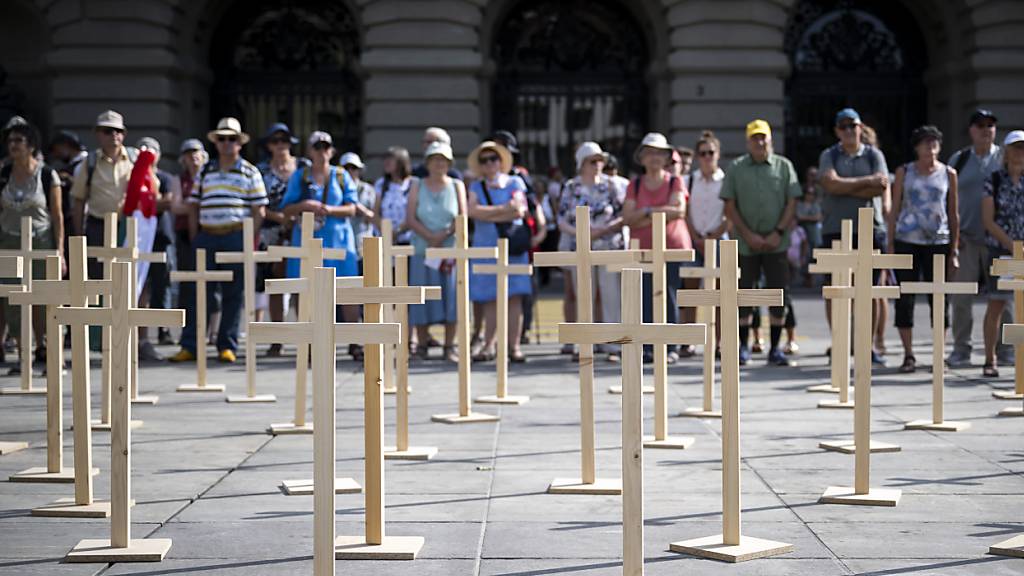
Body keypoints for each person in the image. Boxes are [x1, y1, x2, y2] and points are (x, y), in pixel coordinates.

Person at [169, 117, 267, 364]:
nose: (226, 143)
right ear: (216, 142)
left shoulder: (250, 171)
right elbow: (193, 205)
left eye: (231, 139)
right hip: (207, 236)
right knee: (196, 291)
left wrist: (248, 239)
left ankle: (227, 344)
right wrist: (195, 237)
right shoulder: (207, 170)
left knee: (234, 294)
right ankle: (190, 344)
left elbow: (259, 211)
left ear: (239, 143)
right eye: (221, 139)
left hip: (235, 235)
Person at [720, 119, 801, 366]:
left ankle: (775, 348)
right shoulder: (736, 167)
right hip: (746, 244)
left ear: (770, 139)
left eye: (763, 136)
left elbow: (792, 202)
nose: (760, 141)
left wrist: (777, 232)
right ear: (748, 141)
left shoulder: (783, 166)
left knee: (778, 294)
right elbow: (729, 205)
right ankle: (743, 346)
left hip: (776, 242)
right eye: (755, 137)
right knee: (744, 294)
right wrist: (748, 235)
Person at [818, 108, 891, 365]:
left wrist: (844, 186)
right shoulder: (829, 155)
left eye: (853, 125)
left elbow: (880, 187)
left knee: (868, 290)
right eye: (843, 126)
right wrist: (865, 184)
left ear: (861, 128)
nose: (849, 130)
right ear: (837, 130)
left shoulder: (874, 155)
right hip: (835, 229)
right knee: (836, 289)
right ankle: (839, 342)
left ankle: (866, 345)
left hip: (869, 230)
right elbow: (829, 184)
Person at [888, 125, 959, 373]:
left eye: (934, 142)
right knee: (905, 298)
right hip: (907, 239)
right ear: (916, 147)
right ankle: (908, 354)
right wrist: (889, 244)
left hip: (938, 242)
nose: (930, 147)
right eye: (925, 142)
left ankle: (938, 355)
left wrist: (955, 249)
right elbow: (894, 208)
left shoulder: (948, 173)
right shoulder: (904, 172)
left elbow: (952, 212)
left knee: (939, 299)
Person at [280, 131, 361, 348]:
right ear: (309, 151)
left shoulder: (341, 175)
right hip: (307, 241)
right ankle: (307, 342)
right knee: (305, 288)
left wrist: (329, 209)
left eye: (326, 147)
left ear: (332, 151)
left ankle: (353, 342)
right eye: (317, 147)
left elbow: (352, 208)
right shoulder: (300, 176)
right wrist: (306, 205)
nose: (322, 152)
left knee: (346, 290)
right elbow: (286, 209)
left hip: (339, 241)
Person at [948, 109, 1012, 367]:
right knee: (961, 296)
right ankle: (961, 348)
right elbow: (946, 197)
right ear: (971, 130)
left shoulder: (1005, 158)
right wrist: (953, 235)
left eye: (991, 125)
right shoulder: (960, 159)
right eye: (980, 125)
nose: (986, 129)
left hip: (1000, 240)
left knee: (1005, 298)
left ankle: (1006, 348)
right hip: (967, 238)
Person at [622, 132, 691, 364]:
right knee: (645, 297)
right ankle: (648, 346)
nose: (654, 157)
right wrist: (659, 213)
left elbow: (679, 211)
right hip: (642, 247)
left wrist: (647, 212)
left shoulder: (675, 181)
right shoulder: (635, 184)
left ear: (667, 157)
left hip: (671, 246)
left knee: (668, 294)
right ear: (641, 157)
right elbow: (629, 217)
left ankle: (670, 345)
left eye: (659, 153)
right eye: (649, 152)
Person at [0, 119, 62, 371]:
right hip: (10, 239)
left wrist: (60, 251)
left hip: (41, 240)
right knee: (13, 299)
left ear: (31, 145)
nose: (13, 145)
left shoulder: (47, 175)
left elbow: (57, 214)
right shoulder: (3, 173)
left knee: (42, 297)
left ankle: (44, 347)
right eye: (10, 140)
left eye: (19, 140)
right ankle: (22, 350)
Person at [558, 142, 626, 362]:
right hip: (581, 248)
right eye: (592, 161)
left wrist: (604, 230)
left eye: (600, 161)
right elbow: (561, 219)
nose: (598, 165)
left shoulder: (611, 185)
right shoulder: (571, 187)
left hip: (608, 246)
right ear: (582, 164)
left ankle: (613, 345)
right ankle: (585, 342)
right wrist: (583, 233)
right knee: (583, 294)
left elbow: (623, 214)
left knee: (611, 294)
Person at [466, 140, 530, 362]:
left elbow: (520, 210)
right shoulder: (476, 186)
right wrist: (503, 210)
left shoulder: (515, 182)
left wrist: (490, 213)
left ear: (501, 161)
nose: (489, 164)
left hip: (511, 246)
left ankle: (514, 347)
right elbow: (472, 211)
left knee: (514, 297)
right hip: (485, 246)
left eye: (493, 158)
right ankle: (488, 345)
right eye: (484, 160)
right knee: (489, 298)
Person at [405, 141, 465, 363]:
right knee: (421, 298)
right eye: (434, 159)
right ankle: (421, 345)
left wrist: (444, 234)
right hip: (424, 250)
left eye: (443, 159)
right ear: (428, 162)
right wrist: (430, 236)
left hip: (449, 250)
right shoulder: (416, 185)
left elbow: (462, 217)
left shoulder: (457, 185)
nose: (439, 163)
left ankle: (450, 346)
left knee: (452, 297)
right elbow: (410, 217)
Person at [70, 110, 136, 282]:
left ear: (124, 134)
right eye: (108, 131)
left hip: (127, 226)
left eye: (118, 131)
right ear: (98, 134)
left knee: (128, 277)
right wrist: (79, 236)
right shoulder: (89, 162)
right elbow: (78, 200)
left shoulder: (135, 160)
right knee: (98, 277)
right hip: (97, 226)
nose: (114, 135)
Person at [255, 123, 304, 356]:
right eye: (275, 141)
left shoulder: (303, 167)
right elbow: (258, 204)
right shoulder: (261, 170)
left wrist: (294, 218)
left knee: (301, 282)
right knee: (275, 284)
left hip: (300, 230)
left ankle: (304, 332)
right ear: (268, 145)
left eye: (284, 140)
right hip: (272, 231)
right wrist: (281, 218)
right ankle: (277, 338)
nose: (280, 145)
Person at [981, 130, 1024, 377]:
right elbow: (988, 220)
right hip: (1002, 249)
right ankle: (990, 358)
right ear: (1006, 151)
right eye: (1016, 147)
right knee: (997, 302)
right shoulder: (994, 179)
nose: (1020, 152)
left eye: (1023, 148)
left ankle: (1019, 357)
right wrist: (1012, 245)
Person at [133, 136, 172, 361]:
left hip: (158, 238)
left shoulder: (163, 177)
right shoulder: (133, 176)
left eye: (151, 150)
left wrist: (144, 202)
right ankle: (138, 338)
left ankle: (157, 333)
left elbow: (167, 201)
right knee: (138, 286)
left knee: (159, 285)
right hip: (137, 236)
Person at [47, 130, 86, 257]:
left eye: (57, 149)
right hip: (69, 219)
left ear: (66, 145)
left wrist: (70, 180)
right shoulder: (68, 166)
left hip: (84, 217)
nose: (56, 154)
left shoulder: (87, 163)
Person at [339, 152, 377, 261]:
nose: (350, 171)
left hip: (363, 242)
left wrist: (364, 211)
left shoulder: (369, 189)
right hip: (342, 242)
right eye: (346, 168)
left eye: (354, 168)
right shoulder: (335, 190)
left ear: (359, 170)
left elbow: (374, 215)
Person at [373, 146, 414, 246]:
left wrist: (396, 232)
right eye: (385, 159)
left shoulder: (413, 184)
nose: (386, 162)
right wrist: (386, 233)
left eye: (390, 159)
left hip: (407, 240)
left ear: (402, 161)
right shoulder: (380, 184)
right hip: (384, 240)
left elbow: (415, 213)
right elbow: (376, 212)